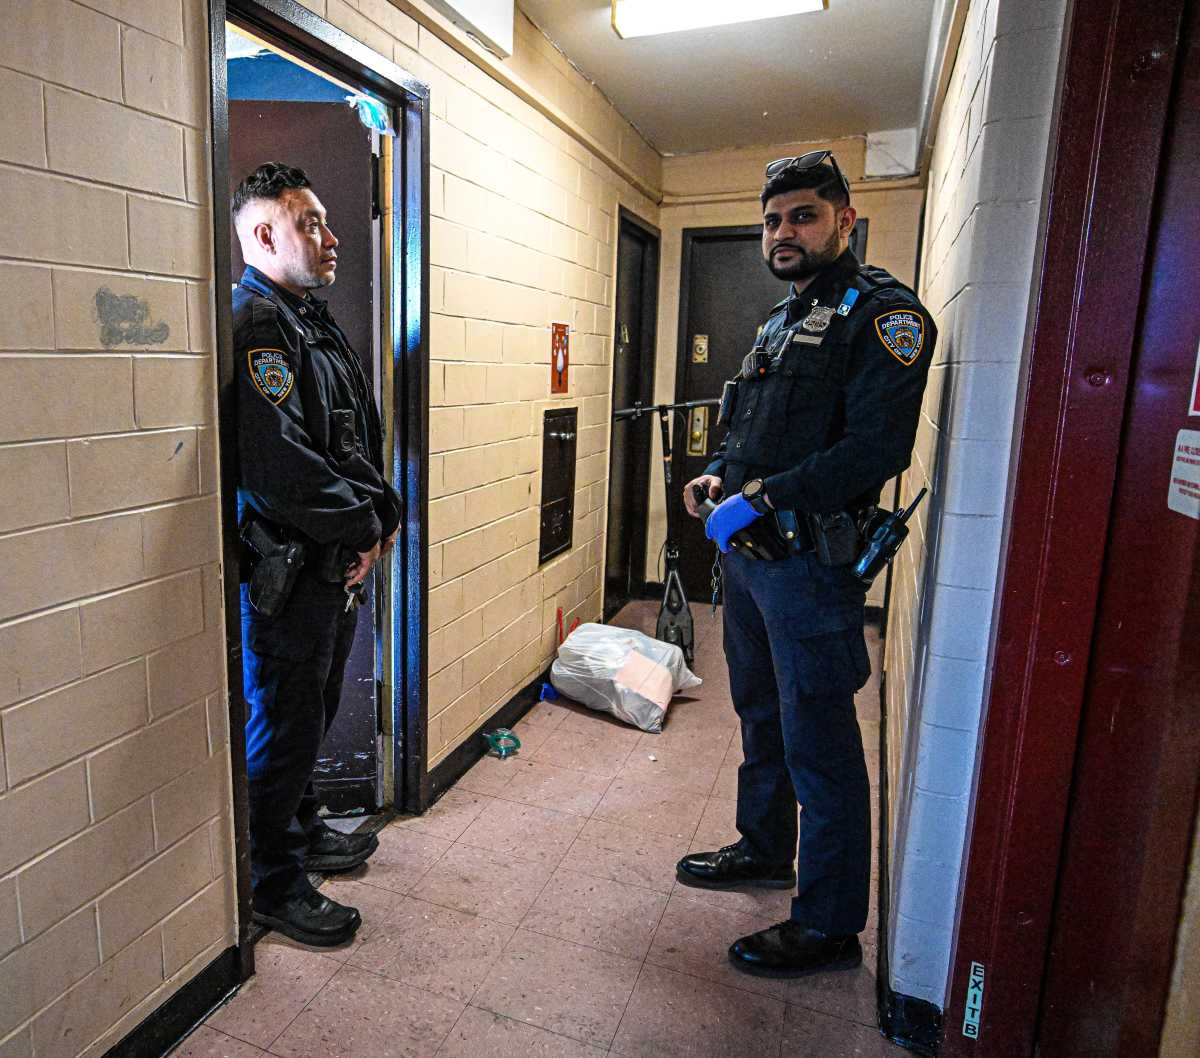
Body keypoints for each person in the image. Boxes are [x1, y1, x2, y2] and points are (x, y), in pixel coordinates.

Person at [677, 151, 935, 978]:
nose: (783, 232)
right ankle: (763, 846)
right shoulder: (781, 320)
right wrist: (721, 471)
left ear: (844, 222)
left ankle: (827, 924)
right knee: (760, 717)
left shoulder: (885, 318)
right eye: (773, 219)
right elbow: (754, 430)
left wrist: (765, 496)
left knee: (819, 740)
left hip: (810, 572)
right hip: (752, 566)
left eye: (803, 216)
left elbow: (875, 449)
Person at [233, 163, 402, 947]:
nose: (331, 239)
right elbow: (281, 469)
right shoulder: (258, 323)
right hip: (292, 573)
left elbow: (353, 440)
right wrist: (363, 527)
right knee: (289, 722)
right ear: (265, 234)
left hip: (331, 563)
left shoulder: (308, 319)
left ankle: (301, 833)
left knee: (316, 714)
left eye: (330, 224)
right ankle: (272, 881)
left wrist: (380, 516)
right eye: (311, 225)